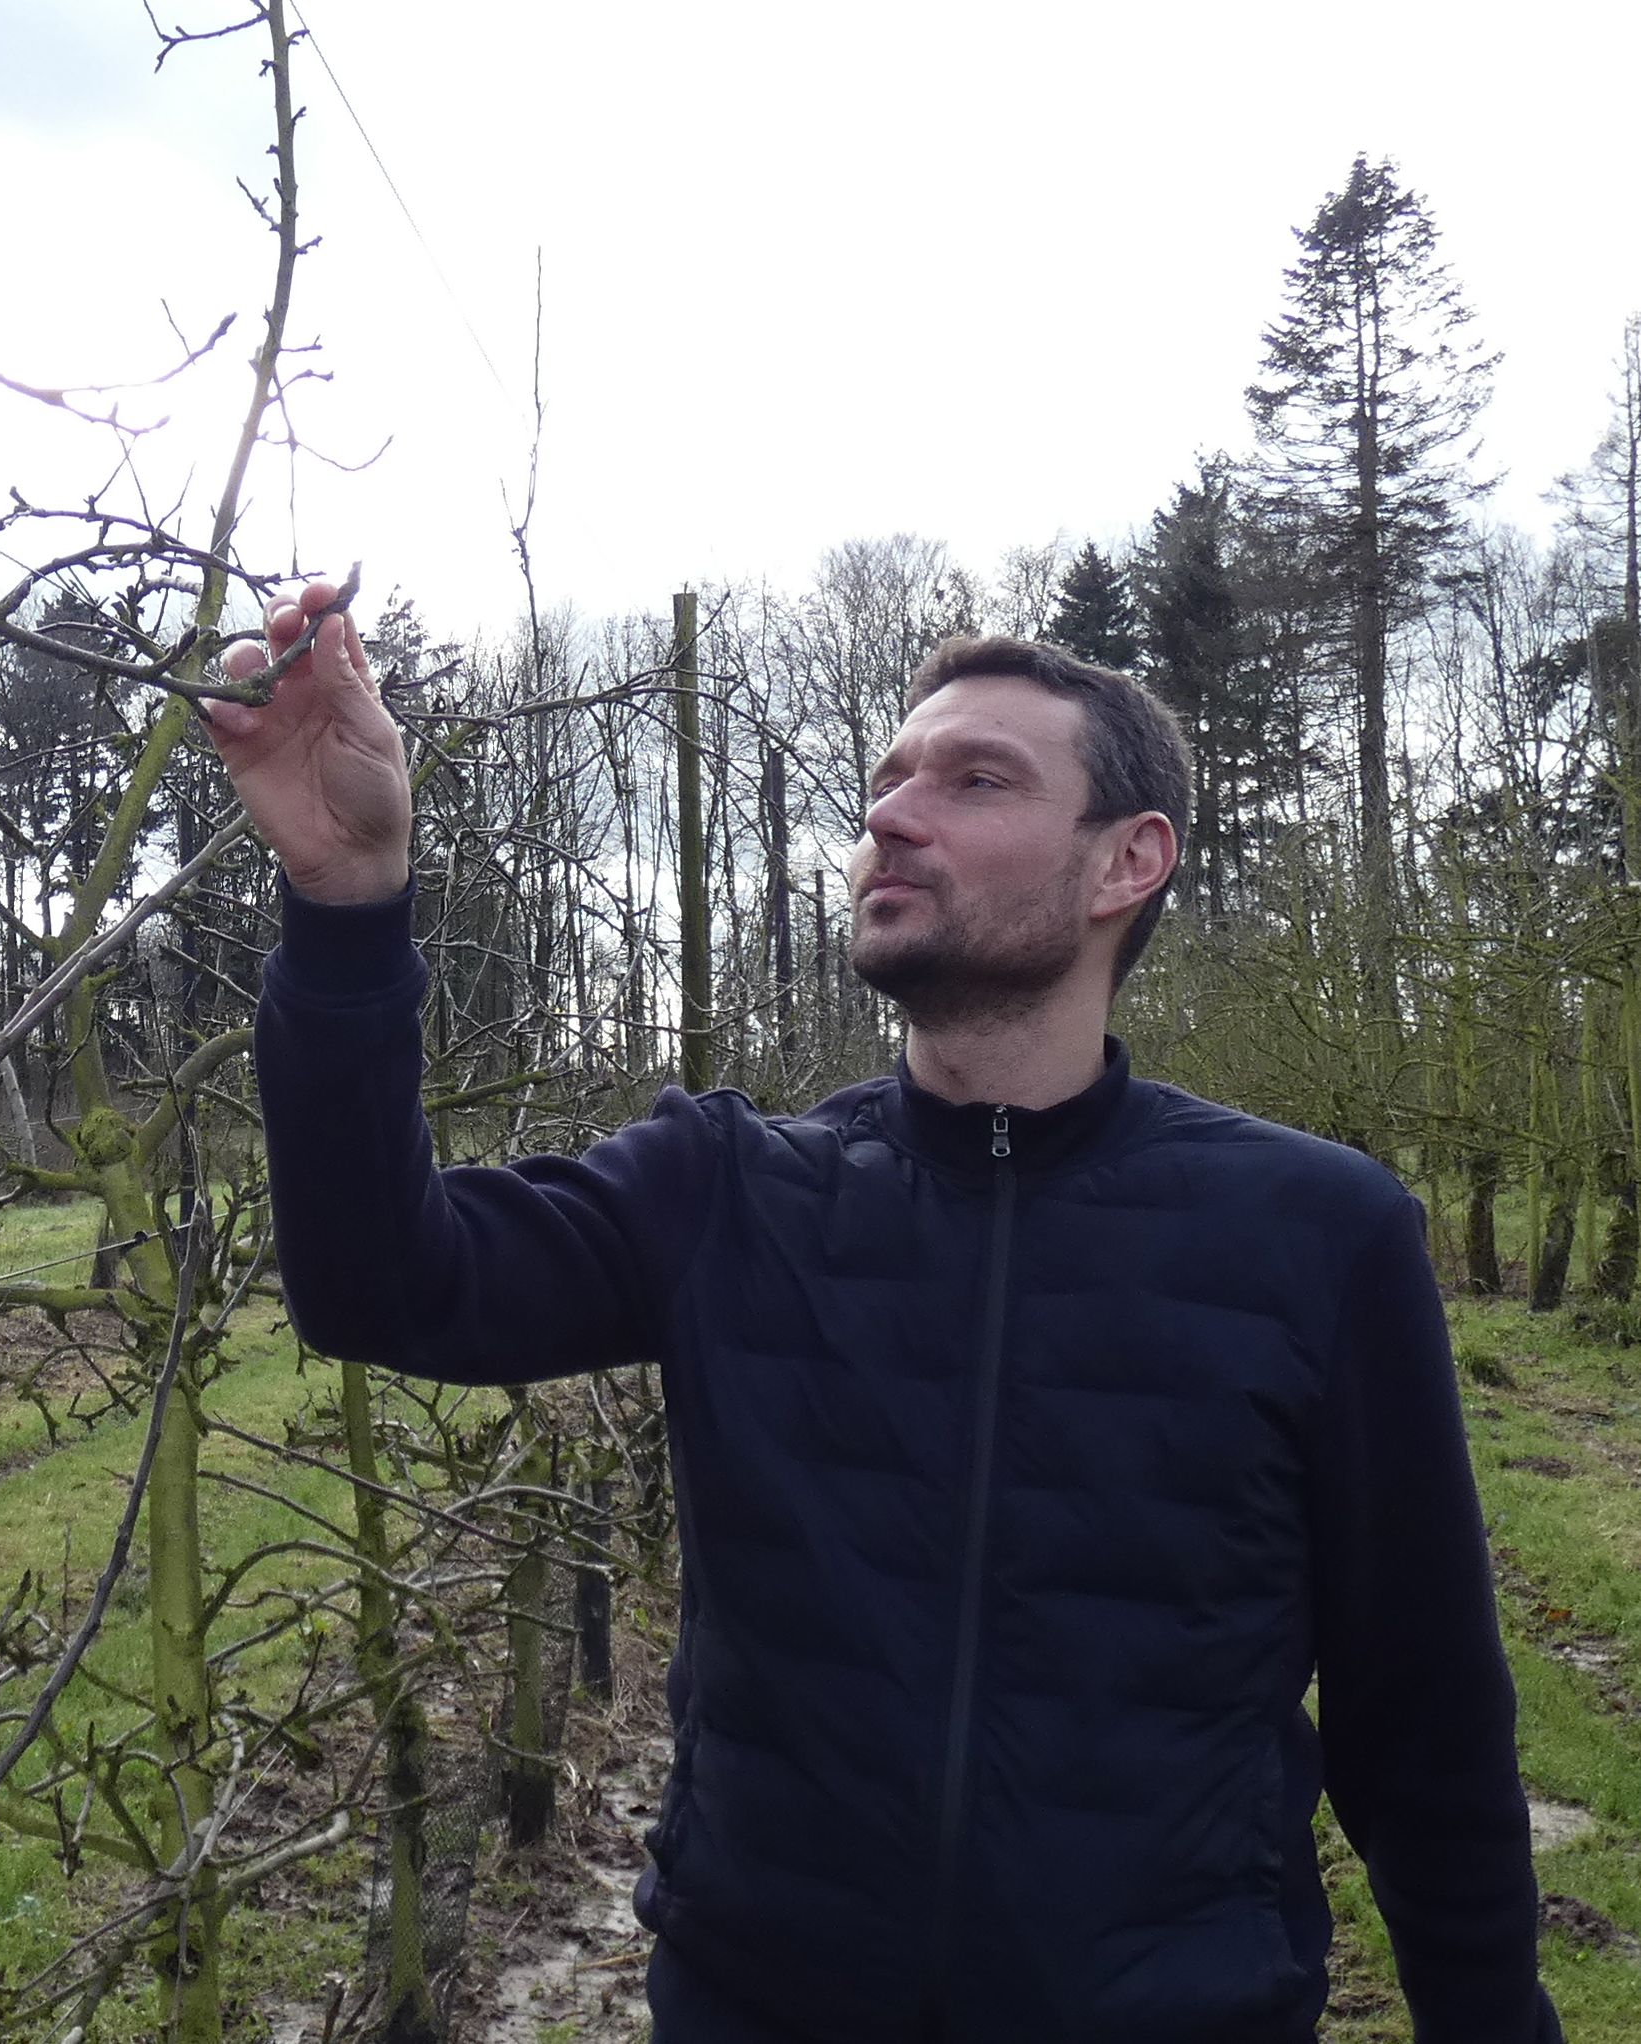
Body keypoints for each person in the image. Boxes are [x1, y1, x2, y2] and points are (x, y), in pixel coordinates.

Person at [211, 582, 1561, 2044]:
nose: (894, 816)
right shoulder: (726, 1188)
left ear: (1128, 861)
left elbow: (1417, 1712)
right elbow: (378, 1283)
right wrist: (347, 903)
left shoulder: (1315, 1230)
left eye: (975, 779)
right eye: (886, 783)